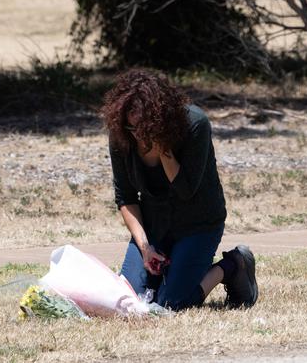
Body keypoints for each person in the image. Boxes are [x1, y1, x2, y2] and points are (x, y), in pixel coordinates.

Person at [101, 68, 258, 311]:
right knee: (130, 303)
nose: (138, 137)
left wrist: (163, 146)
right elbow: (125, 197)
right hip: (155, 226)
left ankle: (232, 266)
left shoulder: (195, 124)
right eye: (131, 129)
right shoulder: (122, 134)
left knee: (170, 305)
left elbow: (185, 190)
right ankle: (174, 272)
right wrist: (145, 247)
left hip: (197, 223)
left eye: (144, 129)